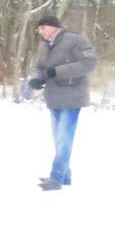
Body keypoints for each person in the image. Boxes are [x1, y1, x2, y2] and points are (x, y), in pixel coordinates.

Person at [27, 14, 97, 191]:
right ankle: (65, 175)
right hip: (53, 97)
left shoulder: (75, 40)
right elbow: (39, 67)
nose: (40, 31)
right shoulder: (45, 45)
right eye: (38, 29)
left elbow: (89, 63)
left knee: (64, 139)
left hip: (72, 96)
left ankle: (56, 178)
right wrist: (35, 79)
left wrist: (57, 71)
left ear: (53, 26)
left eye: (42, 27)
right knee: (59, 140)